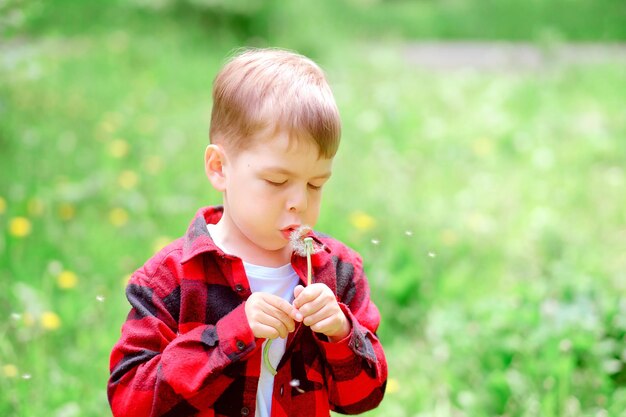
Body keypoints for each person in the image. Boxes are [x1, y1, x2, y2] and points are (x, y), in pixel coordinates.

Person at [107, 47, 387, 417]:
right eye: (276, 180)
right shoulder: (170, 278)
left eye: (316, 184)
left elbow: (361, 398)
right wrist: (230, 336)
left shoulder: (336, 271)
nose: (299, 202)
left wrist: (340, 333)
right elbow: (131, 401)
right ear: (219, 167)